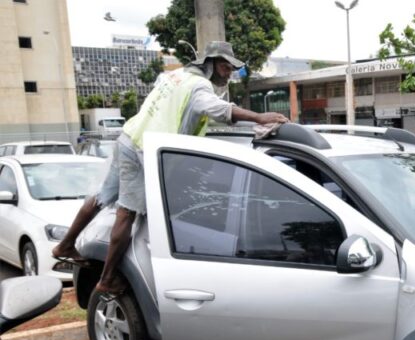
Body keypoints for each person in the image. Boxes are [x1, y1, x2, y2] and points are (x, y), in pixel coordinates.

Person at [52, 41, 288, 296]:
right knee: (127, 213)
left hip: (129, 137)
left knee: (101, 197)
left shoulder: (175, 75)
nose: (228, 73)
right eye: (225, 67)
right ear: (210, 65)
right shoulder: (199, 85)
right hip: (144, 150)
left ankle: (65, 245)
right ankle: (107, 279)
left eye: (231, 68)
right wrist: (259, 117)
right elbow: (217, 109)